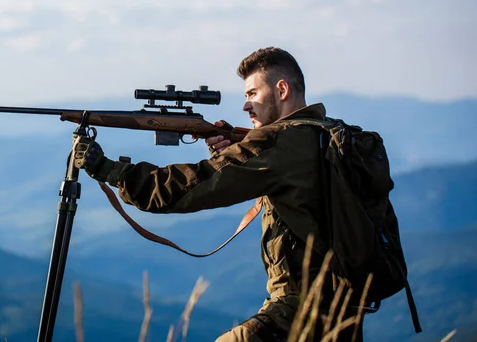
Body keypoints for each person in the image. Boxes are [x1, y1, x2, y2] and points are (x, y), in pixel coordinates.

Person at [73, 47, 364, 341]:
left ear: (282, 89)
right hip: (346, 311)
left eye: (252, 94)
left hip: (299, 311)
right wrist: (230, 155)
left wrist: (113, 171)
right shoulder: (328, 133)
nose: (246, 106)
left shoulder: (280, 141)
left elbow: (194, 186)